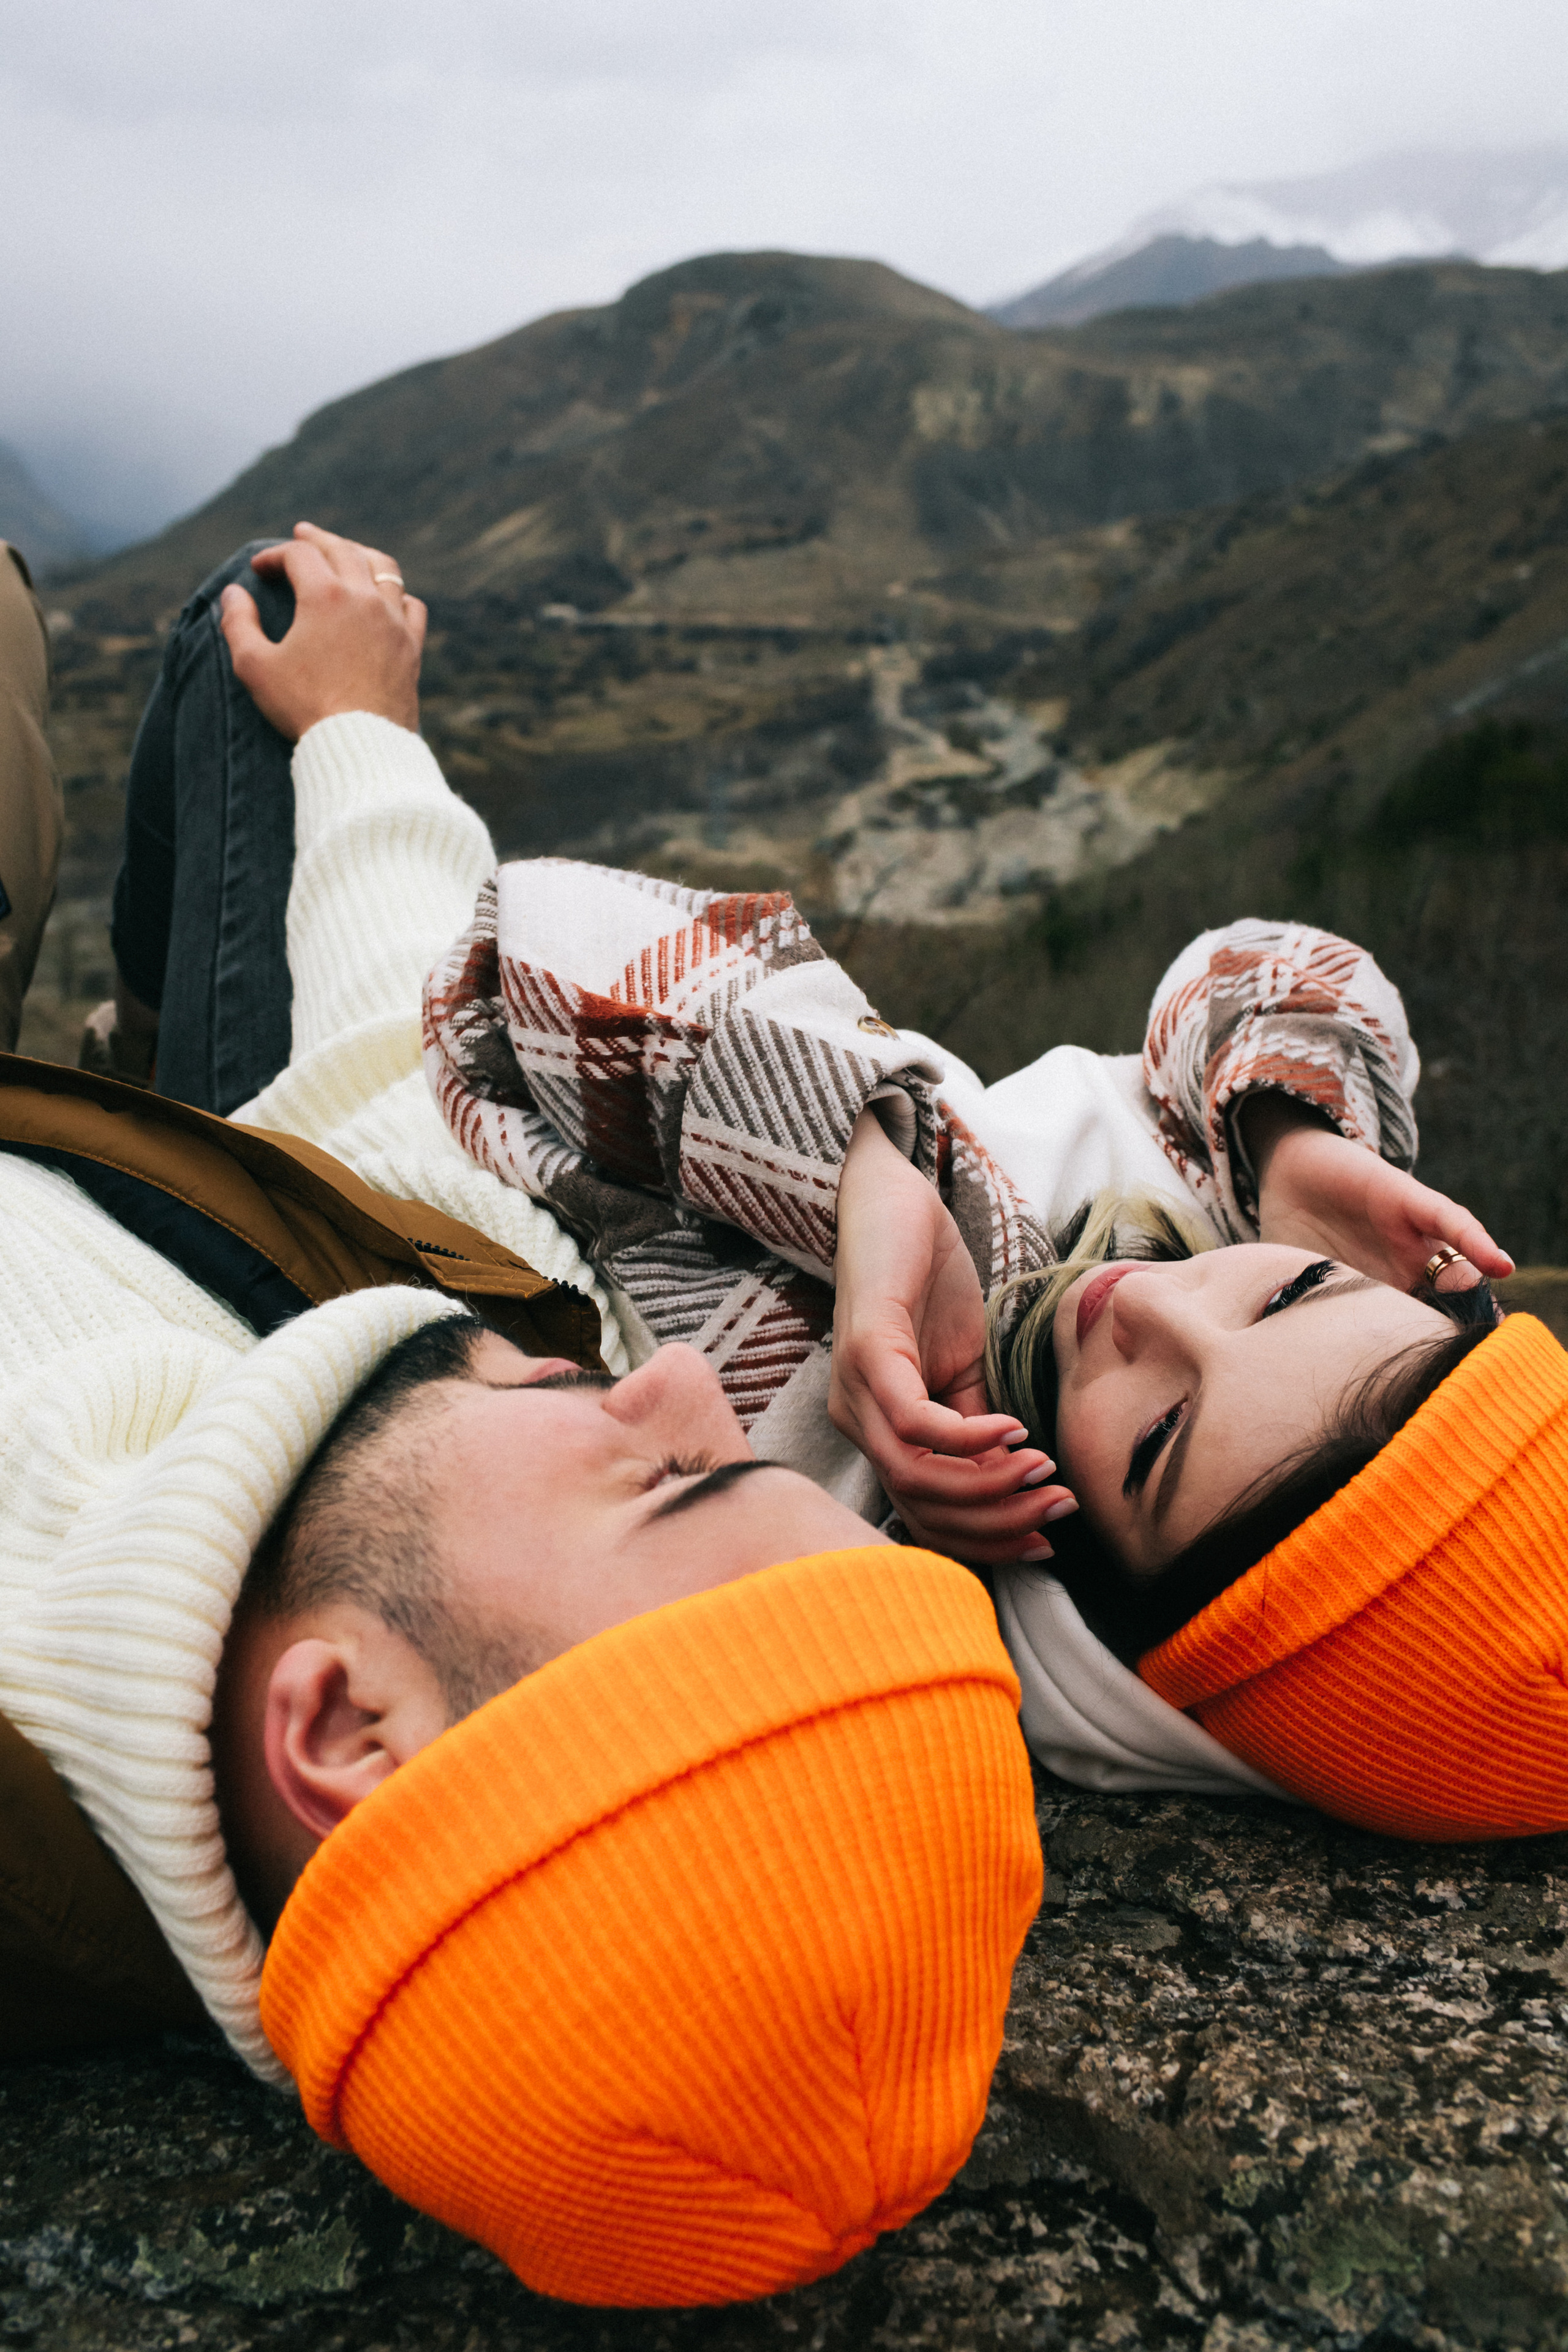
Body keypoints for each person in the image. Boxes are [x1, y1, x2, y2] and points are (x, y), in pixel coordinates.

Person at [88, 525, 1568, 1851]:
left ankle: (155, 1053)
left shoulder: (814, 1457)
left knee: (255, 603)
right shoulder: (1235, 1311)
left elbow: (535, 946)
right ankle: (147, 1034)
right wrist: (1302, 1155)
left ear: (1105, 1628)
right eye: (1288, 1292)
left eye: (1158, 1436)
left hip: (341, 1109)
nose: (1154, 1304)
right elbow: (1269, 971)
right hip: (424, 1043)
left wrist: (869, 1177)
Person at [0, 530, 1045, 2307]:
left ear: (347, 1730)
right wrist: (363, 732)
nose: (675, 1384)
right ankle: (154, 1041)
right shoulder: (414, 1394)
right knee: (270, 619)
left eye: (664, 1491)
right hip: (183, 1170)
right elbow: (420, 1034)